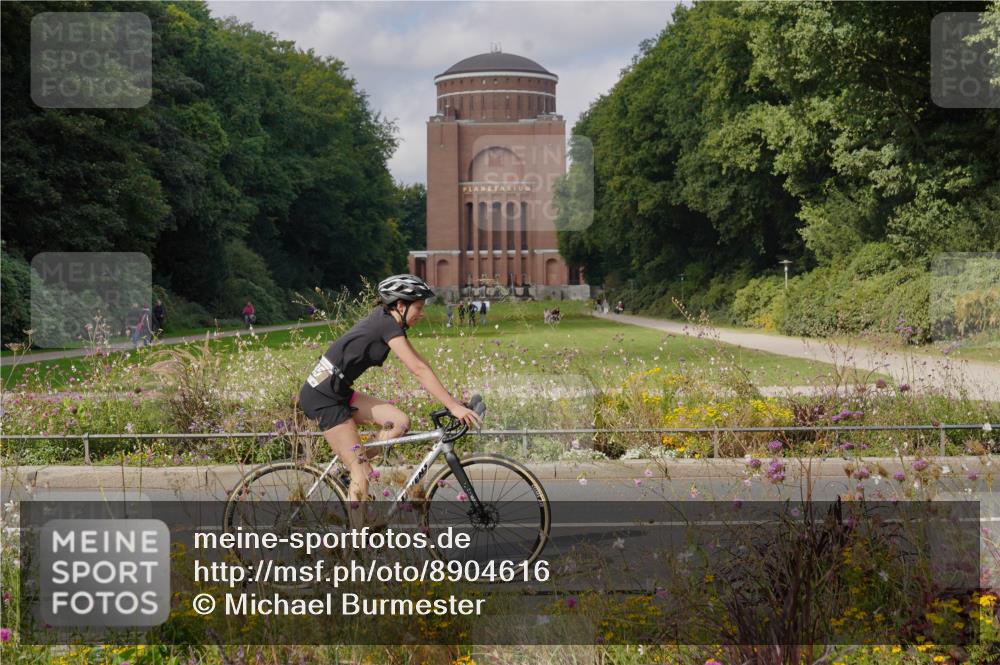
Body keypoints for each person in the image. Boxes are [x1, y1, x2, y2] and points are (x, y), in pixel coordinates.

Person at [297, 274, 481, 525]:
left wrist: (453, 401)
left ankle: (350, 467)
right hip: (322, 397)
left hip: (338, 391)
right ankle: (358, 547)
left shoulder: (388, 323)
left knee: (400, 422)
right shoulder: (386, 325)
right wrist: (452, 406)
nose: (422, 314)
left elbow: (421, 364)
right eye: (419, 307)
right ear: (401, 306)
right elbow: (418, 369)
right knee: (361, 471)